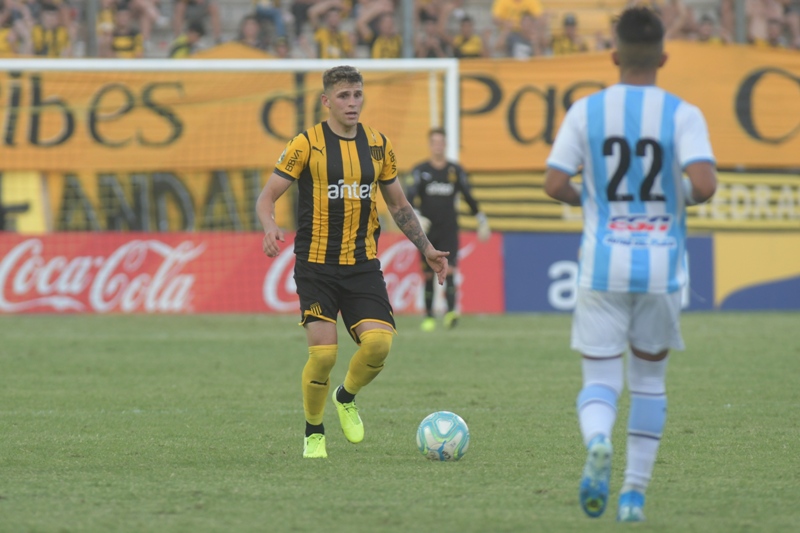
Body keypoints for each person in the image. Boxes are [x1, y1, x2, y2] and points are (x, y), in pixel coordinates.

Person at [543, 6, 717, 522]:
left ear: (613, 55)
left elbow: (554, 184)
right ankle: (633, 497)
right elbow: (704, 185)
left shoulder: (585, 112)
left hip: (603, 263)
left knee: (599, 376)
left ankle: (599, 440)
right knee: (649, 382)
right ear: (664, 57)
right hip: (662, 265)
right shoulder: (682, 113)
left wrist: (590, 199)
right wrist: (668, 197)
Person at [256, 66, 449, 459]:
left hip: (362, 264)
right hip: (315, 265)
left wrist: (426, 248)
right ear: (326, 101)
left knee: (379, 345)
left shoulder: (378, 145)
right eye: (343, 96)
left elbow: (399, 205)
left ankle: (346, 396)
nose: (352, 103)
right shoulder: (305, 144)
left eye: (357, 95)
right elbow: (267, 196)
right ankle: (313, 431)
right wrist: (269, 227)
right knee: (324, 354)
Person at [406, 128, 490, 332]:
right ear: (429, 144)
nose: (438, 146)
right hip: (426, 232)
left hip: (448, 229)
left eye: (441, 142)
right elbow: (408, 197)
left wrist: (481, 219)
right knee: (427, 273)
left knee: (450, 269)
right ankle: (428, 316)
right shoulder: (420, 170)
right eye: (434, 142)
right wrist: (416, 215)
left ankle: (451, 312)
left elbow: (468, 196)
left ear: (445, 145)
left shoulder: (455, 170)